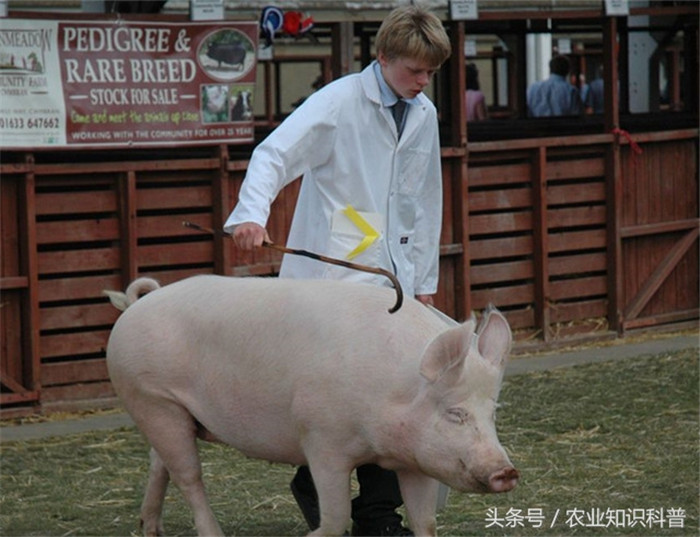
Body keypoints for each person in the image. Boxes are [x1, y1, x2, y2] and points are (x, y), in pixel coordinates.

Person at [223, 5, 451, 536]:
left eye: (430, 73)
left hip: (392, 282)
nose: (422, 82)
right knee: (343, 399)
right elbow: (273, 153)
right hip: (331, 283)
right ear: (384, 57)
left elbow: (424, 201)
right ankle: (317, 484)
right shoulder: (338, 102)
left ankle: (376, 516)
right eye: (414, 70)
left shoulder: (424, 115)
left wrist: (424, 284)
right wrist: (252, 215)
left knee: (392, 397)